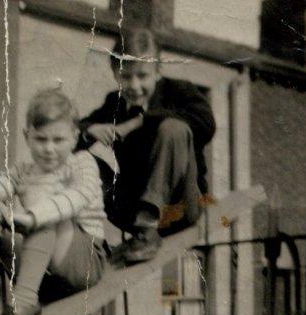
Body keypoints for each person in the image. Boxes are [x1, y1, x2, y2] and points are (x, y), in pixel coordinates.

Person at [0, 88, 106, 315]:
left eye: (58, 140)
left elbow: (77, 197)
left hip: (83, 262)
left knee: (46, 212)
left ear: (75, 138)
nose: (49, 149)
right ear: (27, 137)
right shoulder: (24, 169)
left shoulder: (82, 163)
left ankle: (23, 305)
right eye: (41, 139)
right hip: (43, 273)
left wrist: (32, 217)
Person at [79, 27, 216, 264]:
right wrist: (90, 130)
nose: (134, 85)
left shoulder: (179, 91)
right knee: (81, 159)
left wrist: (139, 121)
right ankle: (83, 238)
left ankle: (148, 223)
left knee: (173, 129)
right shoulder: (115, 103)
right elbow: (72, 129)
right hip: (131, 209)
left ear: (157, 70)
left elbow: (206, 124)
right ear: (114, 73)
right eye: (125, 76)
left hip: (181, 207)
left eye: (142, 76)